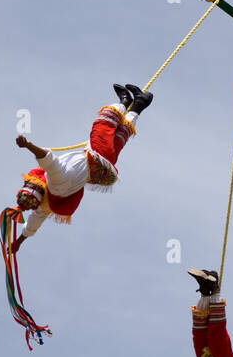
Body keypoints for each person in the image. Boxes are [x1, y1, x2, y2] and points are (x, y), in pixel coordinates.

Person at [10, 83, 153, 248]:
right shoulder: (54, 182)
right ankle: (124, 102)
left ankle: (139, 104)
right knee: (104, 123)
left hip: (101, 172)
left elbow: (33, 223)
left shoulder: (46, 204)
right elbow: (47, 158)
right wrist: (27, 145)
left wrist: (18, 242)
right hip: (96, 156)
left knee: (121, 135)